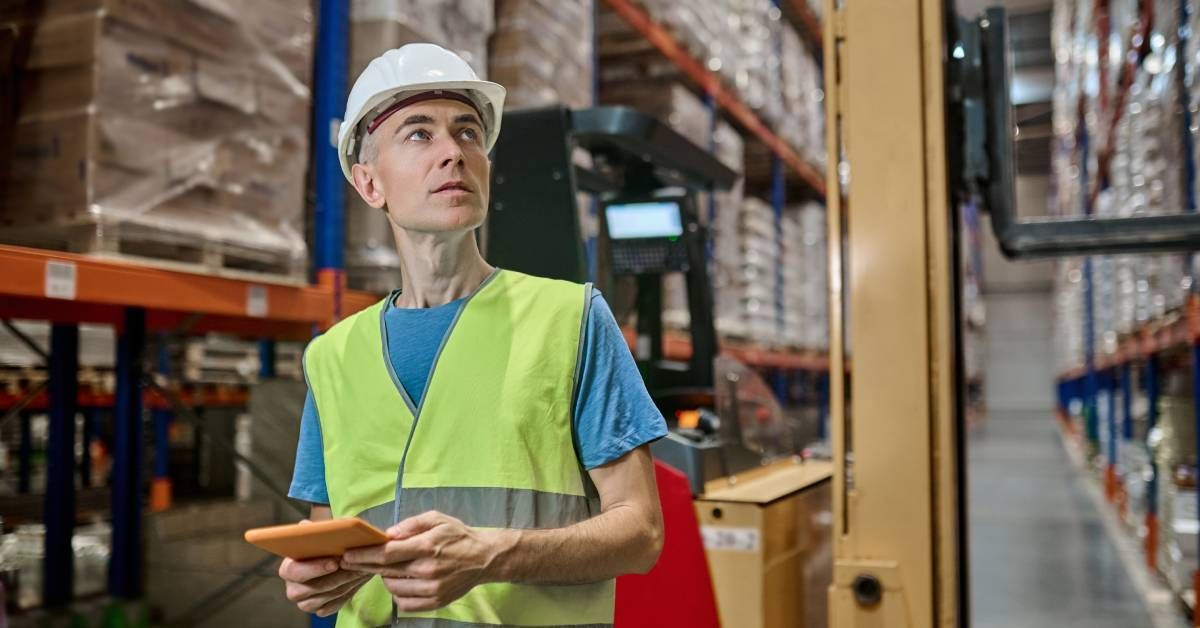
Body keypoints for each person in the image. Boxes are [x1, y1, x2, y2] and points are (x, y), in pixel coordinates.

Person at [277, 43, 667, 627]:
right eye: (419, 134)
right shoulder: (332, 358)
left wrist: (490, 556)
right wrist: (318, 579)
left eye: (467, 133)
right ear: (369, 184)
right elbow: (325, 533)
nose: (453, 154)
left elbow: (642, 531)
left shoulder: (570, 319)